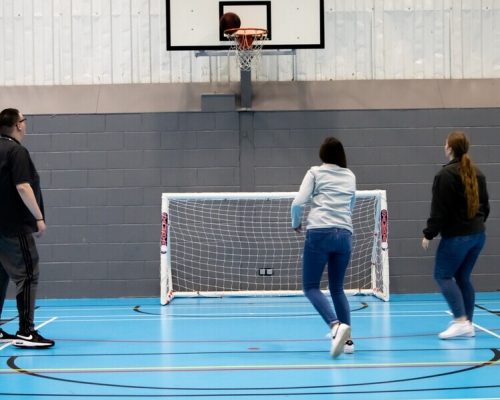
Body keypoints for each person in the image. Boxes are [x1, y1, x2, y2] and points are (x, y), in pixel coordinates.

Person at [291, 136, 356, 358]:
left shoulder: (315, 172)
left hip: (320, 232)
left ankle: (336, 326)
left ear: (322, 155)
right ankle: (348, 342)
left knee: (310, 287)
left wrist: (296, 223)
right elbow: (351, 205)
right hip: (345, 234)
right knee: (337, 288)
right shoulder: (350, 175)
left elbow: (298, 202)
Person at [422, 131, 489, 339]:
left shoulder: (445, 175)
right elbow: (485, 207)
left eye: (445, 144)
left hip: (458, 237)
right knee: (462, 277)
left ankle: (460, 320)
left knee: (442, 275)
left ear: (449, 148)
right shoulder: (477, 172)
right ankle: (468, 323)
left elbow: (439, 210)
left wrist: (429, 234)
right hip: (478, 236)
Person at [0, 108, 54, 348]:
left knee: (0, 277)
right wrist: (38, 217)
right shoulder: (16, 151)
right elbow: (23, 187)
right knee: (28, 274)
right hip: (14, 227)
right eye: (23, 120)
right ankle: (26, 331)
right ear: (18, 126)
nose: (25, 124)